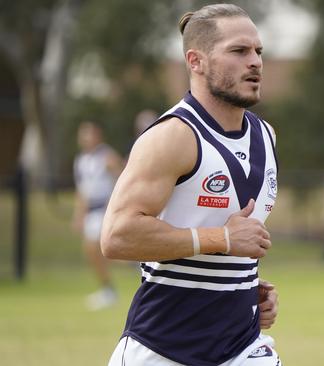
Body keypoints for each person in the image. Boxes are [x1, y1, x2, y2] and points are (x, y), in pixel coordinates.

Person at [101, 4, 281, 366]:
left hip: (242, 347)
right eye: (239, 51)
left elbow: (233, 235)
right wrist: (223, 240)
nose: (255, 62)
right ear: (195, 61)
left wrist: (245, 289)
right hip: (163, 348)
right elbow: (117, 236)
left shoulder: (267, 135)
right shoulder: (172, 138)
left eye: (258, 51)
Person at [72, 121, 124, 310]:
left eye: (89, 134)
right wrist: (79, 215)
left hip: (104, 208)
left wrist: (115, 207)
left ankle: (109, 290)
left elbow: (121, 179)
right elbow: (82, 191)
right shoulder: (81, 160)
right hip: (91, 210)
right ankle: (108, 288)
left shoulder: (107, 156)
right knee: (93, 252)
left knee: (95, 247)